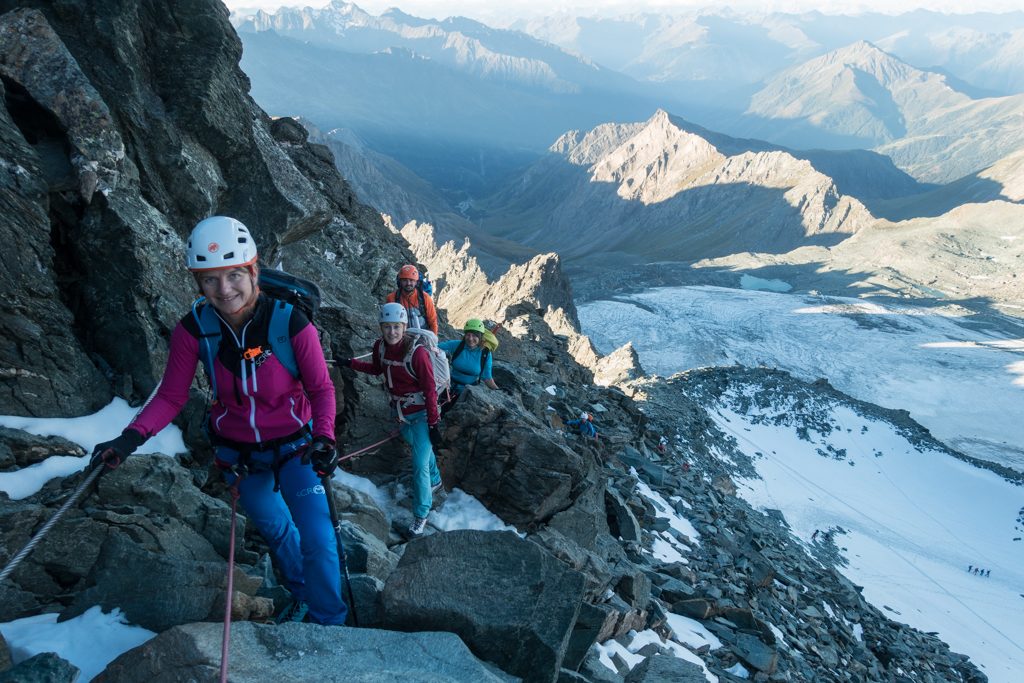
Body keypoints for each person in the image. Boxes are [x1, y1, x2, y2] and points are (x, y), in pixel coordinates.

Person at [89, 216, 347, 626]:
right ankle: (300, 591)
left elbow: (321, 390)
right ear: (198, 283)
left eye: (233, 275)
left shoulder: (289, 323)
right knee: (275, 528)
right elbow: (172, 395)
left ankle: (329, 623)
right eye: (210, 280)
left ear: (253, 269)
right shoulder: (194, 330)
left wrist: (325, 438)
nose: (224, 290)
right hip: (239, 455)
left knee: (319, 538)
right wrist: (127, 440)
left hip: (298, 448)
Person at [342, 303, 443, 536]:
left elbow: (429, 390)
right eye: (387, 327)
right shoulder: (380, 347)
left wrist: (433, 423)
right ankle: (436, 479)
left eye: (396, 327)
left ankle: (421, 513)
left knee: (418, 465)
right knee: (418, 447)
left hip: (421, 414)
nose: (392, 332)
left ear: (404, 326)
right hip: (401, 413)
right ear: (381, 327)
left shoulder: (417, 353)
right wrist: (349, 363)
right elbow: (377, 370)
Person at [439, 319, 499, 395]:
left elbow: (487, 377)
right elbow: (436, 348)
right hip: (448, 385)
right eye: (468, 335)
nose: (470, 339)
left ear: (480, 337)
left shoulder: (485, 354)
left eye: (474, 336)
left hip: (468, 391)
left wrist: (498, 391)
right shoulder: (457, 345)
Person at [386, 264, 438, 334]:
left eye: (411, 280)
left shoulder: (425, 298)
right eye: (405, 280)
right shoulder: (392, 298)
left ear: (416, 282)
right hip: (402, 337)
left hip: (423, 336)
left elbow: (433, 321)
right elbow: (389, 323)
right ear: (400, 282)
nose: (408, 283)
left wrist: (433, 340)